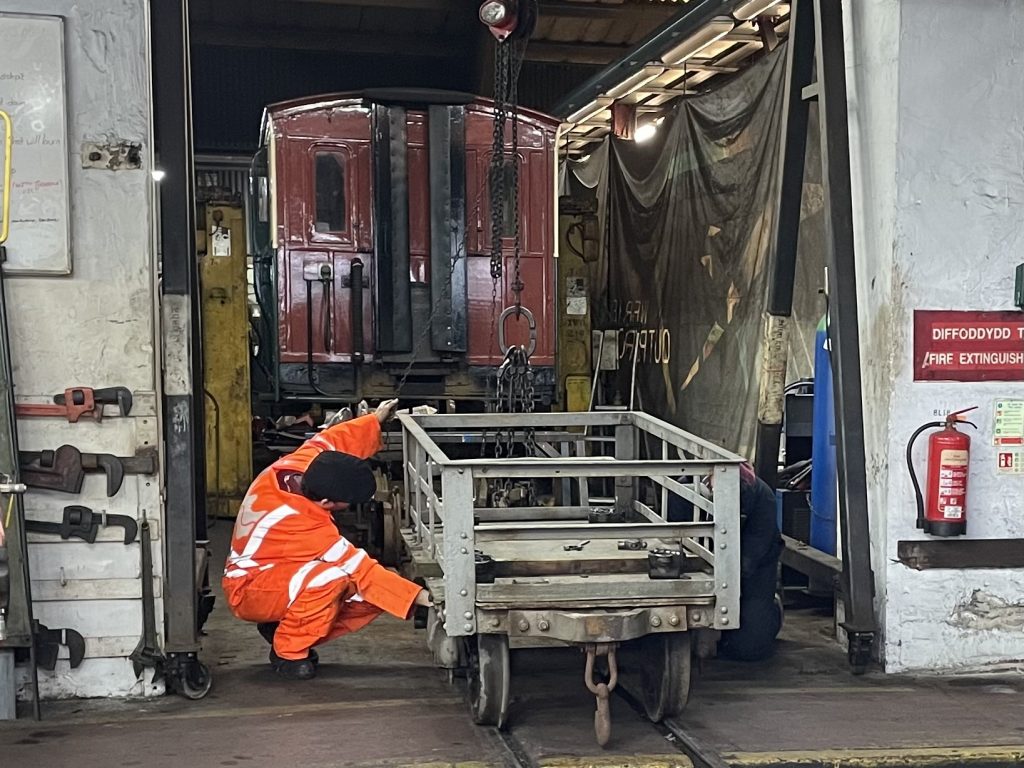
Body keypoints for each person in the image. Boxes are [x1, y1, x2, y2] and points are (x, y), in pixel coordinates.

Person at [223, 399, 431, 680]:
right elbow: (363, 571)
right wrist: (427, 599)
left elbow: (333, 440)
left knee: (382, 590)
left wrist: (376, 419)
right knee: (332, 581)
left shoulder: (297, 465)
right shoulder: (302, 521)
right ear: (325, 501)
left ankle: (282, 626)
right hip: (249, 588)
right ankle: (288, 650)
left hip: (276, 571)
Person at [668, 461, 783, 661]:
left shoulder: (762, 498)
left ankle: (772, 608)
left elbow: (749, 558)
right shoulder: (681, 491)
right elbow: (676, 538)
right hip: (704, 558)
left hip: (754, 568)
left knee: (750, 648)